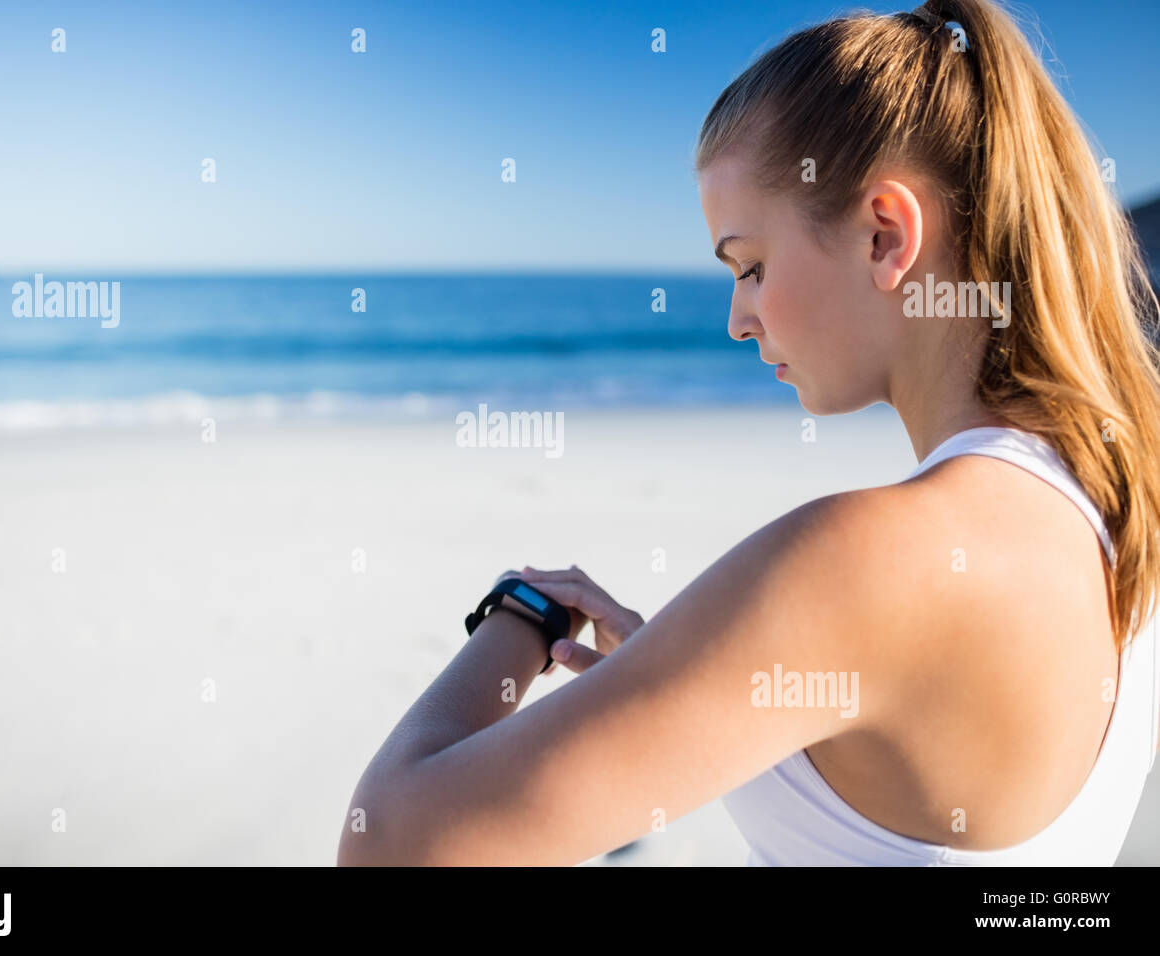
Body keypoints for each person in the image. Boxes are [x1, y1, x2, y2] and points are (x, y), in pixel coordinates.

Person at [337, 0, 1160, 866]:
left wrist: (521, 616)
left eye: (752, 266)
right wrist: (683, 662)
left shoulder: (868, 558)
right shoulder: (1121, 492)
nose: (737, 318)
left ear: (886, 236)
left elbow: (391, 844)